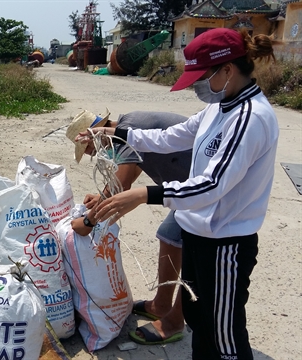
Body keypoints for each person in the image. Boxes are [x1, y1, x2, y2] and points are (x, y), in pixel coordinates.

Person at [82, 28, 278, 360]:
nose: (199, 87)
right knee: (200, 321)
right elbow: (173, 136)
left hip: (225, 245)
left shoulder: (250, 118)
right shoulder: (220, 106)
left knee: (225, 335)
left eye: (203, 77)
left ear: (228, 70)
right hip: (198, 235)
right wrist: (115, 132)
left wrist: (146, 194)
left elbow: (211, 185)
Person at [75, 111, 191, 345]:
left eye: (90, 149)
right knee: (169, 236)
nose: (95, 154)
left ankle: (175, 321)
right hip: (187, 193)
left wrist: (87, 222)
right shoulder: (132, 129)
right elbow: (127, 175)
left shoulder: (130, 129)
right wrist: (100, 198)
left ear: (97, 132)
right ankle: (160, 305)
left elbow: (121, 186)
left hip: (205, 192)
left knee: (197, 256)